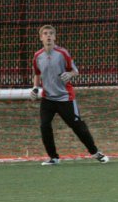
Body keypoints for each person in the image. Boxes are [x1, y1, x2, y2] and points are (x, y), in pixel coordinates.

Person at [30, 24, 109, 165]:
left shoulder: (62, 53)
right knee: (44, 126)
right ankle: (53, 158)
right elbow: (37, 74)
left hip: (65, 97)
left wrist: (69, 74)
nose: (48, 36)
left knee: (78, 126)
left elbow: (75, 71)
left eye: (51, 33)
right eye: (45, 34)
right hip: (47, 98)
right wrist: (35, 88)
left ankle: (95, 152)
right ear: (41, 37)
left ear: (54, 37)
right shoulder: (37, 56)